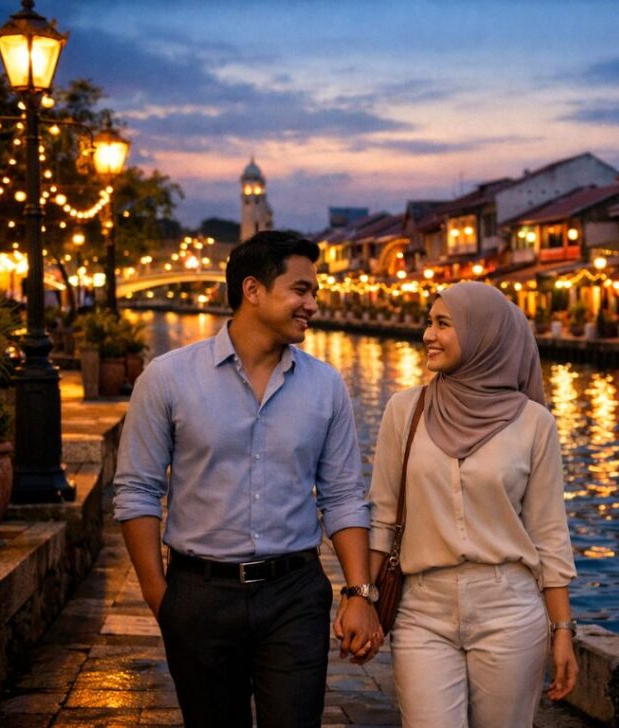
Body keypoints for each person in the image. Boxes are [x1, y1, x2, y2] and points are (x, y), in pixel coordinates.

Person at [114, 230, 382, 728]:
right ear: (253, 290)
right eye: (301, 290)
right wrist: (162, 599)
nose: (313, 305)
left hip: (294, 594)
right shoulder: (167, 378)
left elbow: (344, 497)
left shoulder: (326, 386)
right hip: (199, 595)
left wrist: (359, 593)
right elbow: (138, 491)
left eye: (315, 293)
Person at [359, 282, 578, 727]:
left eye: (443, 324)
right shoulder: (406, 410)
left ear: (484, 336)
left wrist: (562, 630)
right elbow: (382, 516)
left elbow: (549, 532)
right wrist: (361, 597)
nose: (427, 334)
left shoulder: (534, 423)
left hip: (509, 608)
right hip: (423, 608)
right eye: (429, 322)